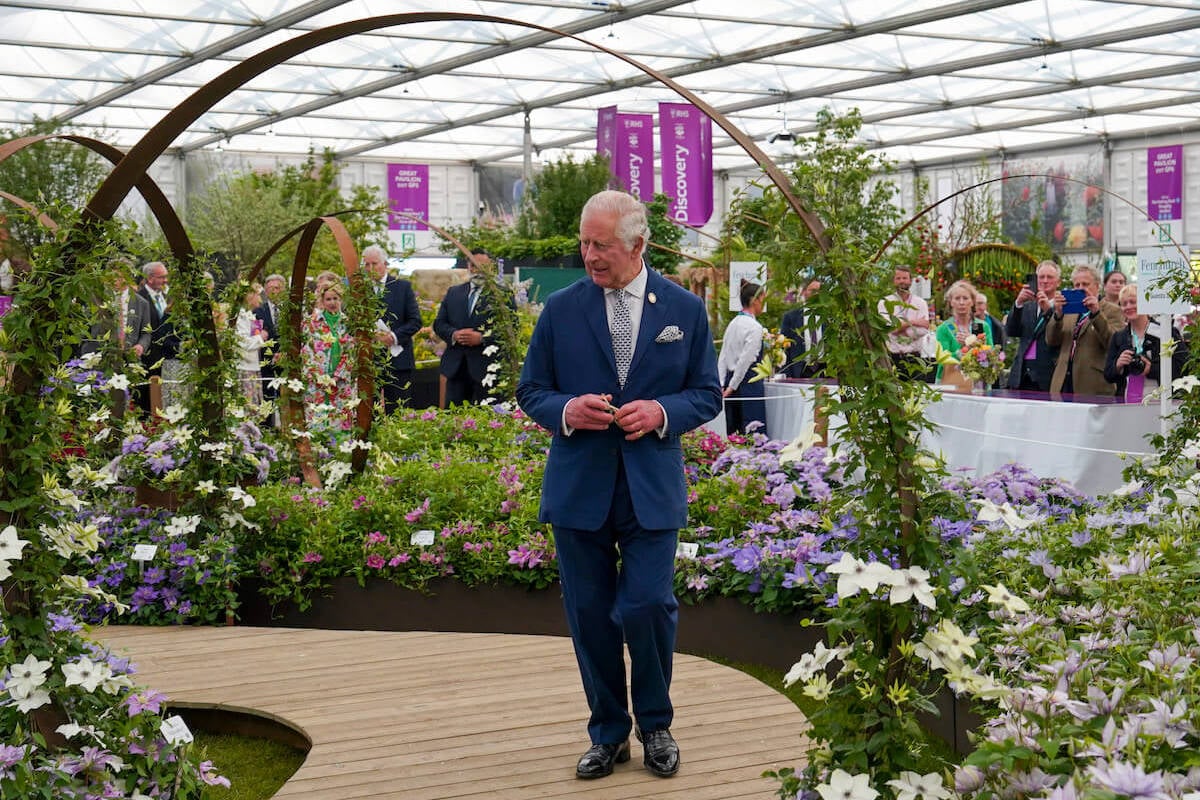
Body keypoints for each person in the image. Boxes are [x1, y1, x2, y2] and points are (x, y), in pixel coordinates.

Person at [516, 190, 721, 782]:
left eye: (600, 244)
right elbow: (532, 390)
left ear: (638, 244)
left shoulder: (684, 310)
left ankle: (655, 724)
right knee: (590, 612)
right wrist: (566, 410)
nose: (589, 255)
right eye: (583, 242)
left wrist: (660, 411)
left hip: (651, 487)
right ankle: (608, 733)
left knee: (647, 604)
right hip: (579, 486)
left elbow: (706, 393)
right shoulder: (561, 309)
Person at [433, 248, 502, 406]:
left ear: (490, 267)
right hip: (456, 369)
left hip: (487, 371)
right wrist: (454, 334)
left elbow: (511, 330)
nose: (476, 270)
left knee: (489, 421)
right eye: (473, 265)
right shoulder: (454, 293)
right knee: (454, 420)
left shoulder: (500, 295)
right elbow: (439, 324)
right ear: (468, 266)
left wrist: (482, 338)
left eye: (482, 266)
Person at [1104, 284, 1190, 403]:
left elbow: (1183, 367)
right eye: (1124, 304)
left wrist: (1151, 369)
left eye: (1133, 302)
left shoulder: (1165, 332)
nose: (1128, 306)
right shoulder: (1119, 337)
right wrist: (1118, 365)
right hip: (1128, 402)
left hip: (1162, 402)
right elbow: (1108, 375)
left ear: (1145, 304)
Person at [1047, 264, 1123, 396]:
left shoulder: (1112, 310)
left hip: (1093, 384)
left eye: (1085, 284)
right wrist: (1057, 315)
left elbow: (1114, 343)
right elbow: (1051, 340)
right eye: (1077, 285)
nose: (1081, 289)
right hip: (1063, 381)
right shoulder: (1069, 310)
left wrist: (1096, 314)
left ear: (1097, 286)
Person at [362, 245, 422, 414]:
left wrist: (394, 337)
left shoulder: (402, 287)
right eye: (366, 265)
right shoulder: (360, 290)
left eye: (374, 263)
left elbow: (415, 321)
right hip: (370, 362)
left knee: (398, 412)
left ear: (385, 264)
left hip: (398, 360)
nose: (370, 268)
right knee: (368, 414)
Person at [301, 282, 357, 435]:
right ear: (322, 301)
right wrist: (318, 375)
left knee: (339, 420)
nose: (332, 303)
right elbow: (307, 350)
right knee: (316, 421)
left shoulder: (348, 323)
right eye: (328, 299)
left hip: (339, 382)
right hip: (317, 382)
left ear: (341, 300)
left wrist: (337, 376)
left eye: (335, 299)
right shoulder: (312, 323)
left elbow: (351, 351)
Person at [717, 280, 767, 436]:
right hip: (748, 384)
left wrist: (721, 383)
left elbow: (723, 356)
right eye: (763, 299)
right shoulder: (755, 327)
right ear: (754, 300)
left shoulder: (733, 323)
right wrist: (732, 387)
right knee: (752, 431)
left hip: (732, 381)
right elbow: (745, 361)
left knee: (734, 431)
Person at [1005, 260, 1061, 391]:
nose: (1045, 281)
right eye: (1041, 277)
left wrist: (1049, 312)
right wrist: (1018, 303)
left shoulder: (1062, 306)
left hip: (1047, 376)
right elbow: (1011, 331)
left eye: (1050, 277)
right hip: (1022, 374)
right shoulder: (1027, 306)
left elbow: (1059, 336)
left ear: (1058, 282)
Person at [134, 261, 179, 414]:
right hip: (147, 357)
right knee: (147, 402)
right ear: (150, 278)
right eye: (162, 277)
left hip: (166, 359)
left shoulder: (167, 298)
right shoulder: (138, 299)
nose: (166, 280)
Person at [879, 265, 932, 380]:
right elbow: (889, 329)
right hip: (892, 358)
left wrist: (900, 328)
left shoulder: (920, 303)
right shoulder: (885, 302)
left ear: (910, 281)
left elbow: (924, 329)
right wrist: (913, 322)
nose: (901, 281)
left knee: (917, 395)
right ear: (893, 281)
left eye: (904, 278)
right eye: (898, 278)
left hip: (915, 357)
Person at [933, 280, 993, 382]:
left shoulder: (981, 326)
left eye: (965, 298)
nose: (961, 302)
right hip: (950, 381)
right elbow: (942, 359)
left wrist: (974, 344)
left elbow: (991, 356)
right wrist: (962, 351)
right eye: (957, 298)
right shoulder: (943, 328)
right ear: (951, 302)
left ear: (972, 301)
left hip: (977, 382)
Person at [780, 280, 823, 379]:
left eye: (819, 291)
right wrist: (787, 374)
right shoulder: (791, 317)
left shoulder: (830, 318)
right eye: (812, 290)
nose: (816, 294)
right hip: (799, 371)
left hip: (824, 370)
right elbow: (784, 348)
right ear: (804, 292)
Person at [255, 273, 286, 414]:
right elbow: (256, 336)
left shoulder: (291, 310)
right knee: (266, 398)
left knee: (286, 399)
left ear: (283, 289)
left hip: (286, 360)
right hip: (265, 361)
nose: (274, 291)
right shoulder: (257, 311)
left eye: (277, 288)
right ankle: (267, 429)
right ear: (265, 291)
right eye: (270, 288)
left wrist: (284, 352)